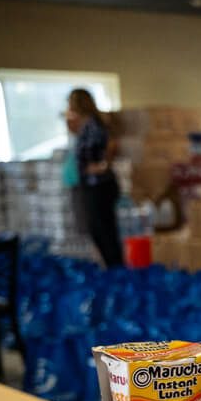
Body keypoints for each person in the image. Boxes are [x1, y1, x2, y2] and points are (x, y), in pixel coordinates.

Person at [65, 89, 125, 268]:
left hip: (98, 186)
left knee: (104, 232)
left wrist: (97, 167)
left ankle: (116, 271)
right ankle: (112, 269)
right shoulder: (86, 126)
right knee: (99, 231)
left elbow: (95, 157)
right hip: (94, 185)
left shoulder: (93, 125)